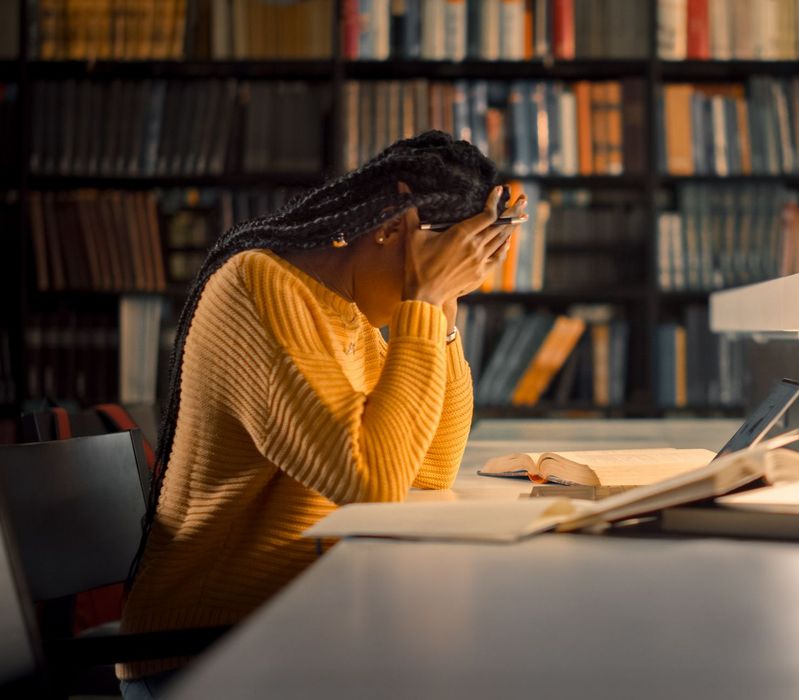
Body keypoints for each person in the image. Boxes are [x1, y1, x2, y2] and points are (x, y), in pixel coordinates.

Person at [117, 132, 521, 698]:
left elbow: (430, 465)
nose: (453, 277)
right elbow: (371, 482)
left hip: (294, 626)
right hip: (202, 652)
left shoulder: (349, 312)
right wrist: (423, 301)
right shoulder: (259, 289)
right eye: (449, 258)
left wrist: (444, 309)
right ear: (393, 226)